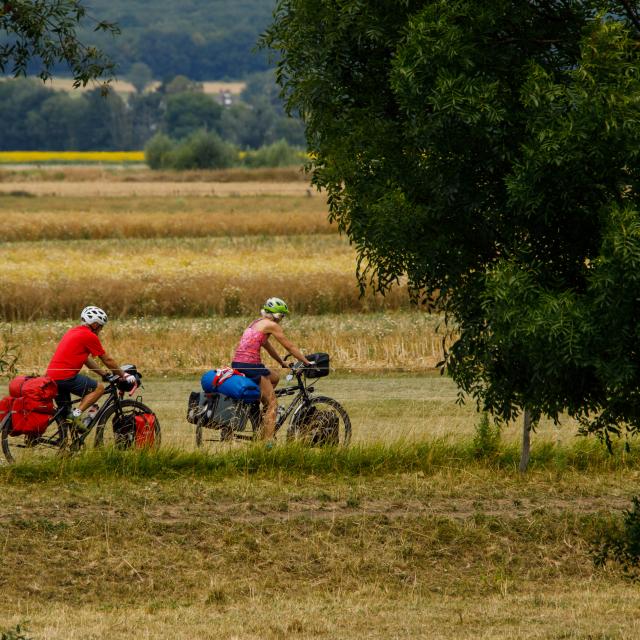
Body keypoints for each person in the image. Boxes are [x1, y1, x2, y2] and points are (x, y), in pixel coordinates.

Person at [46, 306, 136, 433]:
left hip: (52, 378)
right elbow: (107, 360)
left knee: (65, 414)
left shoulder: (73, 332)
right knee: (99, 389)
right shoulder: (89, 336)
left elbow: (86, 360)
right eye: (101, 326)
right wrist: (124, 375)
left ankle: (65, 446)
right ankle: (76, 414)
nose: (101, 330)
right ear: (94, 324)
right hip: (66, 377)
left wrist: (103, 373)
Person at [231, 297, 312, 441]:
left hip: (239, 363)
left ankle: (260, 412)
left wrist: (281, 362)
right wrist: (306, 362)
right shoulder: (271, 325)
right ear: (276, 314)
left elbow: (267, 346)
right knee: (273, 404)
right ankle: (267, 443)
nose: (282, 319)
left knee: (274, 377)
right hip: (251, 366)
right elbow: (289, 346)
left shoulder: (256, 322)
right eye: (282, 315)